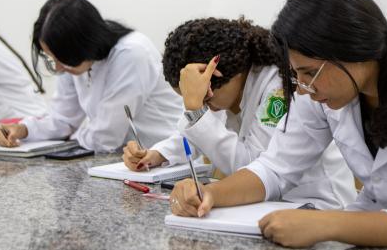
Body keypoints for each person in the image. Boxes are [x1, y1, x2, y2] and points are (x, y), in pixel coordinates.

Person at [170, 0, 387, 250]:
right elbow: (275, 167)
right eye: (297, 75)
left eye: (310, 73)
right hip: (384, 241)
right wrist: (210, 194)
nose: (304, 88)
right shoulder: (326, 90)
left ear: (353, 49)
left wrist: (325, 224)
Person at [123, 17, 355, 208]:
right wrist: (157, 154)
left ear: (222, 73)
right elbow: (194, 134)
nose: (204, 104)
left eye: (204, 97)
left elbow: (252, 165)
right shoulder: (227, 90)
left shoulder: (278, 86)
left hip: (317, 204)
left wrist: (197, 110)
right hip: (270, 204)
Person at [0, 0, 183, 152]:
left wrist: (68, 140)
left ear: (84, 45)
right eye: (52, 59)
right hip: (126, 162)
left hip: (170, 160)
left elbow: (106, 136)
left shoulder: (132, 54)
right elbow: (63, 119)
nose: (58, 68)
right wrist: (23, 129)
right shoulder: (73, 61)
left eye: (62, 59)